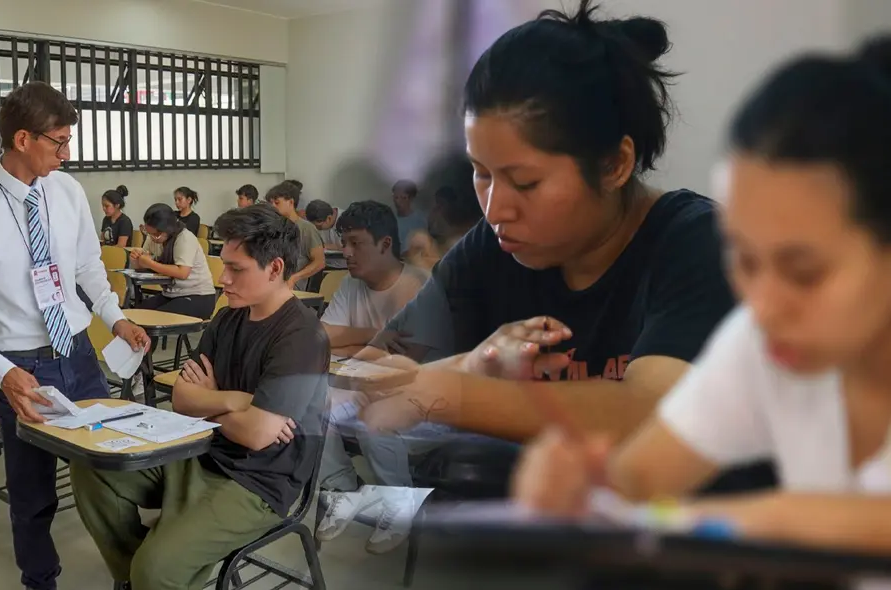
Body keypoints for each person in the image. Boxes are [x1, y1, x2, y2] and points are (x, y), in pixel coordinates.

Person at [357, 1, 774, 494]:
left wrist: (450, 392)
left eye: (526, 183)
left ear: (615, 165)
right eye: (482, 173)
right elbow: (371, 370)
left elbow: (655, 413)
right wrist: (471, 365)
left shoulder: (699, 243)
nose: (495, 208)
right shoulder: (490, 248)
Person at [513, 36, 891, 561]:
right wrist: (585, 487)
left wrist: (751, 519)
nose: (763, 305)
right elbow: (641, 478)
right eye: (745, 260)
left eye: (804, 273)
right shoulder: (764, 342)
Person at [0, 81, 150, 590]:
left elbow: (87, 267)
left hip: (77, 352)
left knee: (110, 474)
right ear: (22, 139)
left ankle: (134, 576)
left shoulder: (67, 190)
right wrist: (3, 374)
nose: (66, 153)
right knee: (33, 493)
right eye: (59, 142)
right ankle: (40, 580)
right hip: (21, 365)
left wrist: (115, 317)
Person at [71, 204, 329, 590]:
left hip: (256, 481)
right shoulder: (227, 318)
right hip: (199, 451)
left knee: (157, 569)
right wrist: (237, 400)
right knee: (93, 469)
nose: (222, 279)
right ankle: (140, 576)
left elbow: (257, 436)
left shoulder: (301, 336)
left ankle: (153, 574)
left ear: (275, 268)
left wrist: (212, 401)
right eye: (224, 266)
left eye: (236, 269)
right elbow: (182, 399)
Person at [315, 200, 430, 553]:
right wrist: (372, 336)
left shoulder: (420, 287)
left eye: (356, 243)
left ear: (385, 244)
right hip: (364, 385)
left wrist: (354, 347)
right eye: (343, 242)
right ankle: (343, 489)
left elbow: (407, 362)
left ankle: (400, 502)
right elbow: (321, 337)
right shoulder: (351, 285)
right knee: (308, 401)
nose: (346, 252)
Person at [131, 203, 217, 319]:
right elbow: (144, 264)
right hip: (171, 294)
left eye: (156, 234)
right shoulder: (153, 237)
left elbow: (182, 272)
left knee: (154, 319)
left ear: (168, 229)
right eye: (148, 233)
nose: (152, 238)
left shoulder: (184, 238)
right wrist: (137, 259)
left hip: (197, 296)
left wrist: (150, 263)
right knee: (137, 314)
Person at [266, 181, 325, 291]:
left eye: (277, 203)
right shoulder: (272, 228)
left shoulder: (306, 229)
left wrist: (295, 278)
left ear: (291, 202)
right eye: (271, 203)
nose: (273, 207)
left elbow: (319, 262)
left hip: (293, 288)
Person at [305, 199, 347, 270]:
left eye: (319, 227)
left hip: (345, 268)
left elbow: (355, 248)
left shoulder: (348, 220)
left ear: (329, 218)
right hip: (325, 266)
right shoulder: (321, 217)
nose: (317, 229)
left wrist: (328, 246)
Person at [391, 179, 426, 253]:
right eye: (396, 197)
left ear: (411, 198)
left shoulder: (419, 220)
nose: (398, 201)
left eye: (403, 197)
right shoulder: (390, 219)